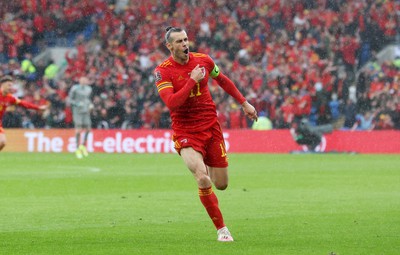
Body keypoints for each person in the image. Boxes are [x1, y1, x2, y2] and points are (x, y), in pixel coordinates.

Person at [154, 27, 258, 242]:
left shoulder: (204, 60)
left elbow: (224, 81)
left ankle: (207, 177)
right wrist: (192, 80)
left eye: (186, 40)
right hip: (186, 132)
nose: (185, 44)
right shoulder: (163, 71)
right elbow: (171, 103)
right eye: (179, 41)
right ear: (169, 46)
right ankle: (222, 229)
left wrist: (244, 103)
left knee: (221, 184)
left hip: (211, 127)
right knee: (202, 178)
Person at [0, 75, 47, 151]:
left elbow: (24, 104)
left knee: (2, 142)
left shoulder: (10, 98)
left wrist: (38, 108)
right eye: (9, 85)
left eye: (11, 85)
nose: (10, 87)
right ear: (2, 84)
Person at [68, 76, 93, 159]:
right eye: (82, 80)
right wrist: (76, 104)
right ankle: (77, 148)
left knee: (88, 129)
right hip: (77, 111)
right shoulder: (74, 89)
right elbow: (70, 100)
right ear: (79, 81)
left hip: (86, 111)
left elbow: (88, 99)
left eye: (85, 80)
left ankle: (83, 145)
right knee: (78, 130)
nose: (84, 81)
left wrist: (90, 104)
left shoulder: (89, 89)